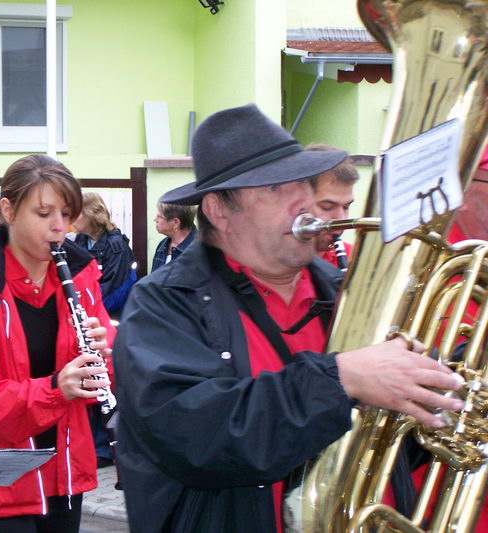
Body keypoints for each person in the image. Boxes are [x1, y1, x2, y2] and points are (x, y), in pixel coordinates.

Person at [113, 104, 464, 533]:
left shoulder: (343, 292)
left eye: (302, 182)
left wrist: (442, 391)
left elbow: (388, 445)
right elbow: (199, 439)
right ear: (220, 210)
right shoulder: (164, 302)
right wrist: (339, 379)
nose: (304, 201)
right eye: (277, 188)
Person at [0, 154, 115, 533]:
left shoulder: (79, 277)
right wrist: (54, 389)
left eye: (66, 214)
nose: (59, 227)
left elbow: (99, 372)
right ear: (9, 210)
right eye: (44, 213)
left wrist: (107, 352)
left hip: (63, 470)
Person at [73, 192, 137, 314]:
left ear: (90, 214)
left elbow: (114, 289)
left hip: (108, 316)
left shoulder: (116, 246)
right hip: (85, 311)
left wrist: (88, 311)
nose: (72, 218)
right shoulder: (80, 239)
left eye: (77, 213)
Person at [306, 143, 359, 268]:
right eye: (327, 207)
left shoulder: (352, 257)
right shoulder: (268, 261)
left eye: (346, 207)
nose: (341, 219)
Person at [150, 202, 196, 271]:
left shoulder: (199, 250)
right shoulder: (162, 245)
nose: (155, 219)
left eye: (159, 216)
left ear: (176, 222)